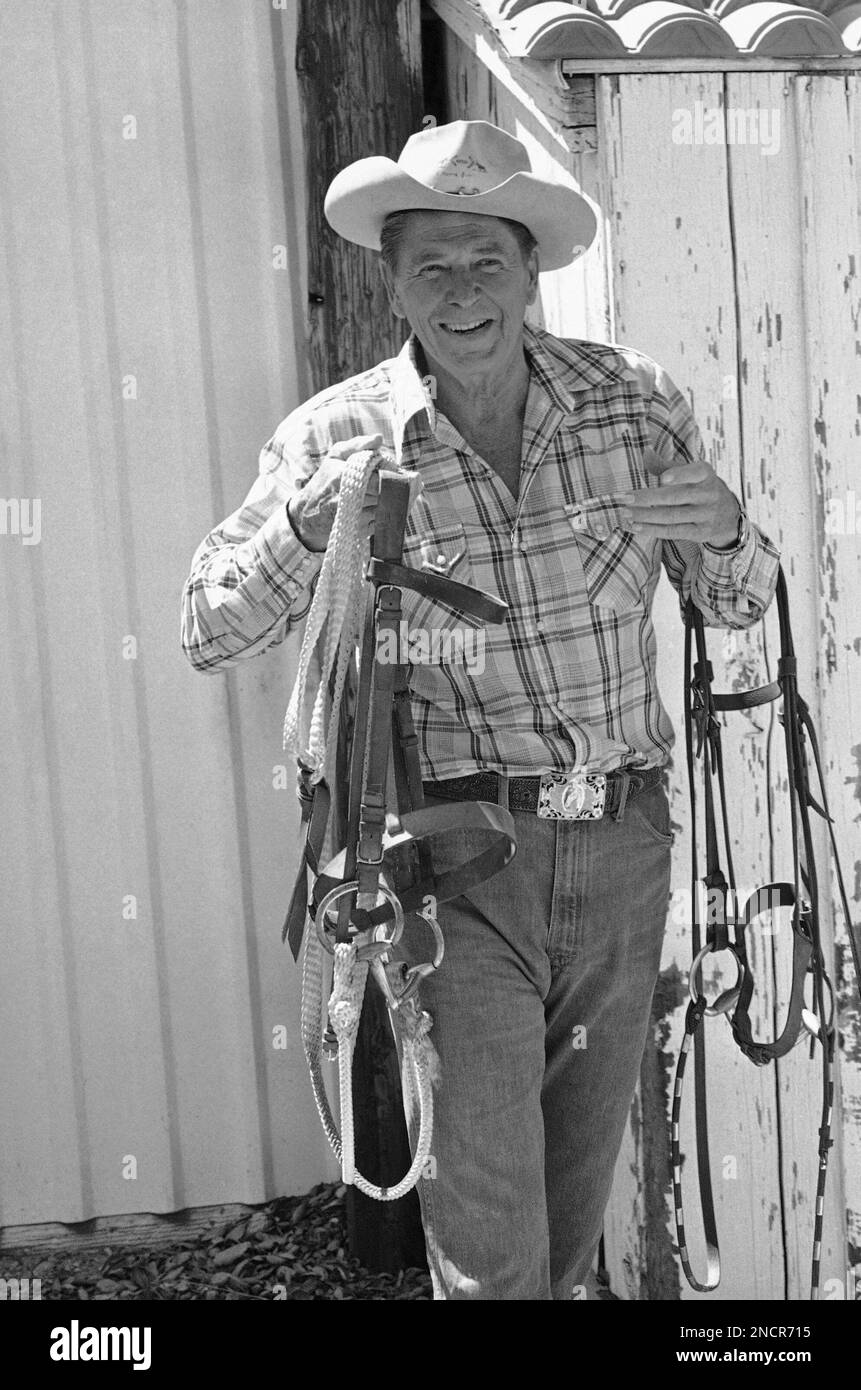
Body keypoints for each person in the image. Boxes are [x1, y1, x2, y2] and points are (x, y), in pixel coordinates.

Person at [182, 120, 780, 1300]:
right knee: (492, 1226)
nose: (461, 294)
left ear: (531, 269)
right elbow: (210, 627)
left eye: (485, 262)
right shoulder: (336, 439)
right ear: (395, 281)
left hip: (624, 847)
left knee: (564, 1212)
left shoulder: (632, 404)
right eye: (432, 268)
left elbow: (742, 604)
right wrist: (312, 526)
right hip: (458, 869)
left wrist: (725, 531)